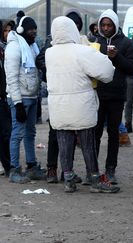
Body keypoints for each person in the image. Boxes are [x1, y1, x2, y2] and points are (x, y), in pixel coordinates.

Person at [45, 16, 119, 193]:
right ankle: (94, 177)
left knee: (64, 141)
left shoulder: (50, 52)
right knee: (87, 142)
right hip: (81, 105)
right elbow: (107, 72)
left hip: (59, 106)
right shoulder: (81, 51)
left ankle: (68, 178)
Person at [36, 9, 87, 184]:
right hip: (58, 92)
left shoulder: (78, 42)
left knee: (68, 131)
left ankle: (66, 171)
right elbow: (40, 59)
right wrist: (53, 71)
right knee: (56, 132)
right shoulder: (53, 41)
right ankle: (52, 169)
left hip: (70, 91)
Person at [94, 9, 133, 184]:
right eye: (103, 25)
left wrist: (117, 57)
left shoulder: (126, 44)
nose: (106, 28)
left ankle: (110, 169)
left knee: (114, 134)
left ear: (115, 25)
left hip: (117, 95)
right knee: (94, 133)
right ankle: (93, 169)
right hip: (97, 95)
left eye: (109, 25)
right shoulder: (94, 42)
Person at [5, 15, 46, 183]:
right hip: (20, 98)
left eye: (35, 30)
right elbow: (11, 78)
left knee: (30, 133)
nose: (34, 33)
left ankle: (31, 166)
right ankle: (14, 170)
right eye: (31, 30)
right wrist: (17, 103)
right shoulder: (14, 47)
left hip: (32, 96)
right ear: (22, 30)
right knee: (17, 134)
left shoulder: (32, 46)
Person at [0, 21, 11, 177]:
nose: (8, 33)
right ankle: (8, 166)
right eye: (5, 30)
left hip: (3, 96)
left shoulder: (4, 49)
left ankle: (8, 165)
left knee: (5, 133)